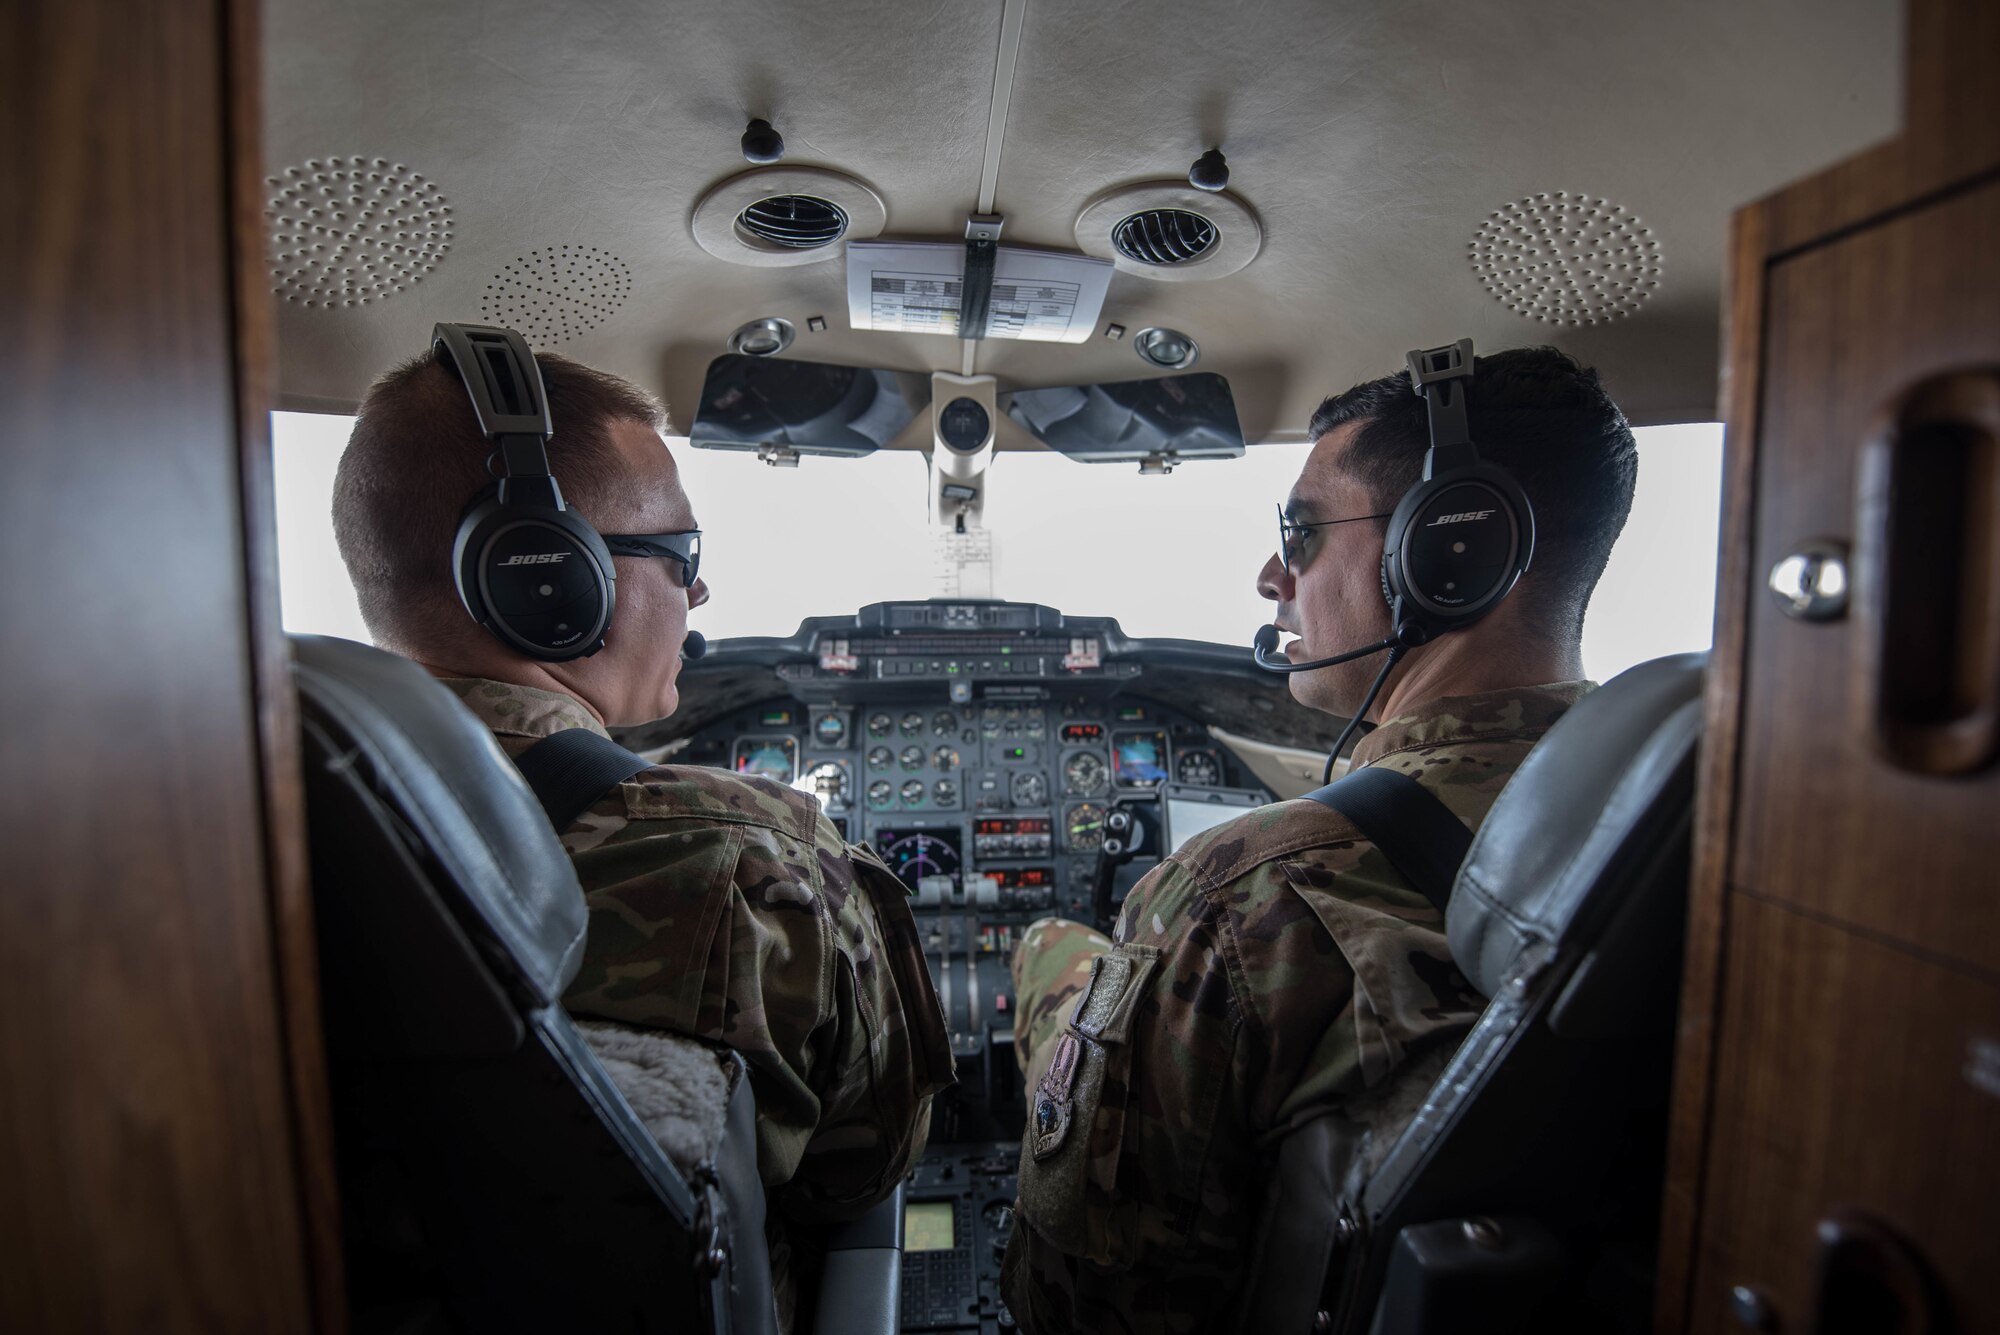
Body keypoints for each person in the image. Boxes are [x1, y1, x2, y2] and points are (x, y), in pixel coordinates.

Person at [1001, 347, 1638, 1333]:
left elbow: (1079, 1303)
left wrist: (1059, 974)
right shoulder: (1709, 829)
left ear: (1449, 549)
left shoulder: (1242, 891)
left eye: (1299, 532)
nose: (1270, 575)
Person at [331, 345, 953, 1330]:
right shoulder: (751, 854)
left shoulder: (217, 830)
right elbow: (863, 1167)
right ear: (544, 576)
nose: (697, 597)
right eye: (681, 559)